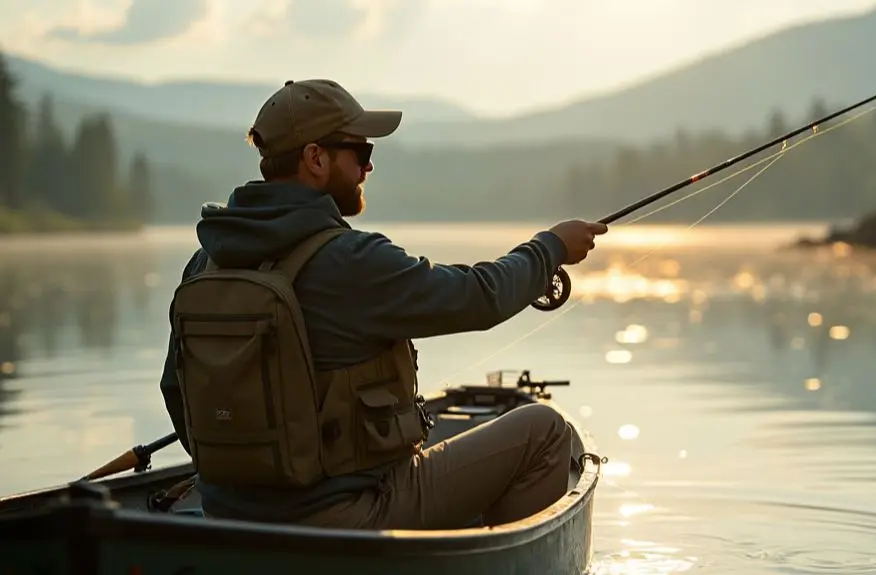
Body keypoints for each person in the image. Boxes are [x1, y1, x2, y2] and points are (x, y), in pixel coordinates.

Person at [158, 78, 608, 530]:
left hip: (225, 514)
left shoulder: (206, 263)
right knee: (545, 432)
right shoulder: (350, 259)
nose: (367, 168)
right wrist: (549, 248)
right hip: (349, 517)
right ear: (316, 158)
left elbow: (175, 388)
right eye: (361, 152)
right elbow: (477, 297)